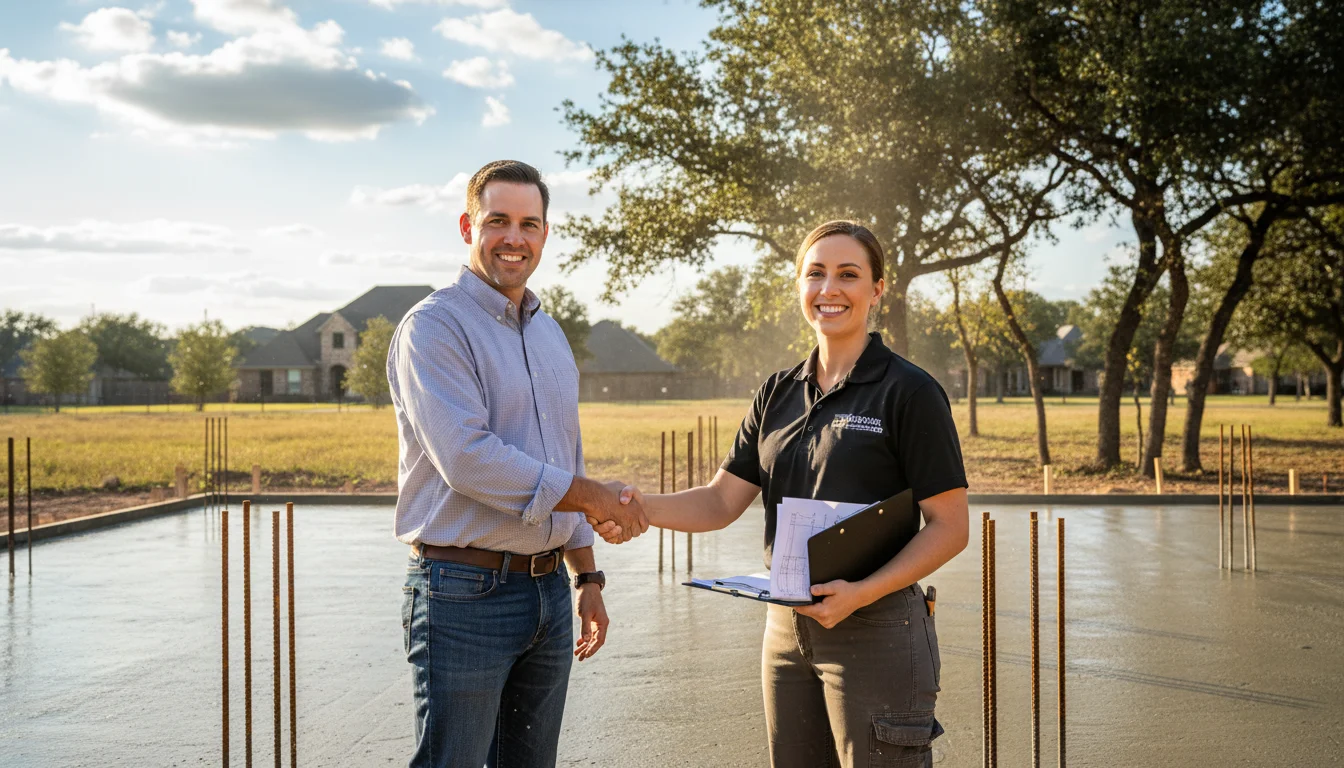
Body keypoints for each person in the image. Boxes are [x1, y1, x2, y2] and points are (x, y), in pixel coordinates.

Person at [595, 220, 969, 768]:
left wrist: (862, 593)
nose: (829, 289)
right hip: (786, 628)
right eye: (815, 274)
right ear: (799, 285)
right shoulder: (776, 392)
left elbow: (950, 526)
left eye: (848, 274)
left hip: (876, 625)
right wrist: (633, 506)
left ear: (877, 289)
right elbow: (721, 501)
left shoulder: (910, 391)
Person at [388, 159, 649, 768]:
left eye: (529, 224)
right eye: (498, 221)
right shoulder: (435, 327)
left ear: (545, 235)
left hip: (548, 593)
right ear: (467, 226)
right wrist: (593, 496)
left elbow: (566, 455)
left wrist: (586, 577)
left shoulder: (549, 333)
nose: (514, 238)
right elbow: (467, 459)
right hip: (462, 595)